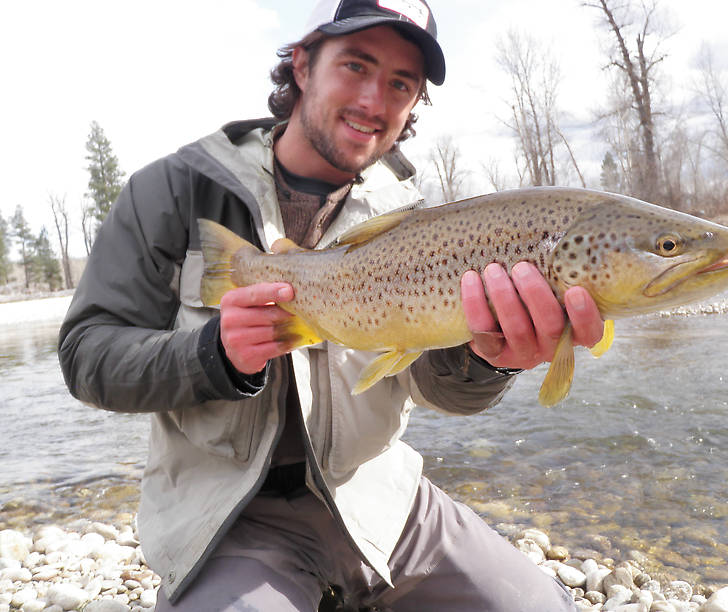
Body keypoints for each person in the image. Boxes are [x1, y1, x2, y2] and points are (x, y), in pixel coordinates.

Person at [58, 1, 604, 610]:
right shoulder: (173, 190)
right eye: (355, 65)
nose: (374, 100)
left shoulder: (419, 219)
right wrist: (213, 355)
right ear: (301, 65)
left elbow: (440, 390)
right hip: (231, 521)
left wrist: (491, 361)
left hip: (381, 502)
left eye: (401, 83)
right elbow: (88, 356)